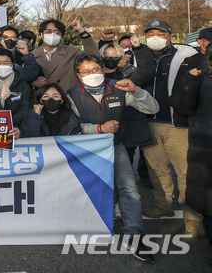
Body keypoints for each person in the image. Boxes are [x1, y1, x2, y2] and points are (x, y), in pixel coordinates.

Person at [66, 53, 159, 263]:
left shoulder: (118, 87)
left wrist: (136, 91)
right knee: (88, 191)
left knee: (130, 190)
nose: (92, 74)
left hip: (114, 147)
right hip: (86, 149)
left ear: (102, 69)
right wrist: (98, 129)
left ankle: (134, 235)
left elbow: (153, 108)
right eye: (86, 71)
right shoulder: (71, 94)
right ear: (79, 75)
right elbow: (71, 127)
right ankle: (86, 229)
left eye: (96, 69)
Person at [140, 20, 205, 237]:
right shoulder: (139, 56)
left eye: (160, 33)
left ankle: (192, 217)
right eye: (150, 34)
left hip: (178, 124)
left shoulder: (188, 56)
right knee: (156, 169)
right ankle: (163, 206)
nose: (155, 37)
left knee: (186, 172)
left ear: (170, 35)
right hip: (149, 122)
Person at [168, 27, 212, 257]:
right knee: (205, 195)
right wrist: (191, 80)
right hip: (203, 147)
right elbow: (181, 106)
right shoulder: (196, 73)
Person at [99, 37, 155, 187]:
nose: (110, 58)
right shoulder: (95, 76)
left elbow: (146, 72)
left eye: (114, 55)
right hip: (102, 127)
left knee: (124, 170)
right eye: (106, 55)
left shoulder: (129, 73)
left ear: (121, 56)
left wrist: (139, 49)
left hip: (126, 129)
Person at [31, 19, 100, 92]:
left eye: (57, 32)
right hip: (42, 99)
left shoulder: (71, 51)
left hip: (68, 98)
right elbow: (23, 80)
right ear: (41, 34)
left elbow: (94, 57)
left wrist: (81, 30)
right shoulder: (32, 55)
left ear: (61, 36)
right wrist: (32, 83)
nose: (52, 35)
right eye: (48, 32)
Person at [0, 48, 30, 127]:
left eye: (6, 63)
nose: (2, 66)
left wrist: (9, 121)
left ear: (12, 64)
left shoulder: (21, 83)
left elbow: (24, 108)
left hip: (14, 127)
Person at [19, 84, 83, 137]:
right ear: (41, 100)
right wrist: (36, 116)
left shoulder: (72, 115)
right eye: (46, 96)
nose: (51, 99)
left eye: (55, 96)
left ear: (62, 100)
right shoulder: (31, 114)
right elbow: (28, 135)